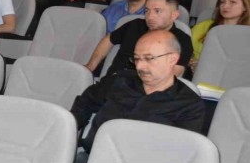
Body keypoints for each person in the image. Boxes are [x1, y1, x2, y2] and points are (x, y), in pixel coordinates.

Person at [72, 30, 205, 153]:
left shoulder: (189, 105)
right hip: (92, 157)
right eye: (136, 59)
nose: (140, 66)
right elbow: (83, 104)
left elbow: (181, 152)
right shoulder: (118, 80)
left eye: (148, 58)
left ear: (172, 59)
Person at [85, 0, 193, 78]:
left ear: (174, 15)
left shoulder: (182, 40)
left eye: (157, 11)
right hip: (111, 82)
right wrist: (91, 66)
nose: (150, 16)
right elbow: (109, 40)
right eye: (147, 11)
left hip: (145, 89)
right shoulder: (134, 25)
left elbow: (174, 73)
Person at [190, 0, 250, 70]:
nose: (225, 6)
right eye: (222, 2)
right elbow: (184, 50)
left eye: (232, 2)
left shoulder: (247, 33)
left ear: (245, 7)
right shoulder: (203, 26)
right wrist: (191, 61)